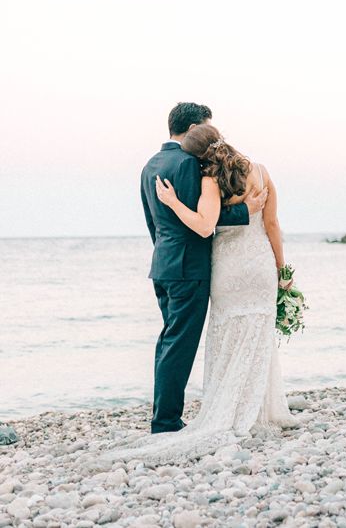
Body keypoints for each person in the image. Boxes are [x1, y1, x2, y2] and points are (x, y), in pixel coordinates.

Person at [104, 122, 295, 464]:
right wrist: (282, 268)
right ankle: (194, 417)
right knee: (244, 335)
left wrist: (172, 215)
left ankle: (179, 417)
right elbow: (246, 224)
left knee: (190, 340)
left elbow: (158, 223)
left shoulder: (153, 166)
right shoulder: (231, 171)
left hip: (172, 265)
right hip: (231, 266)